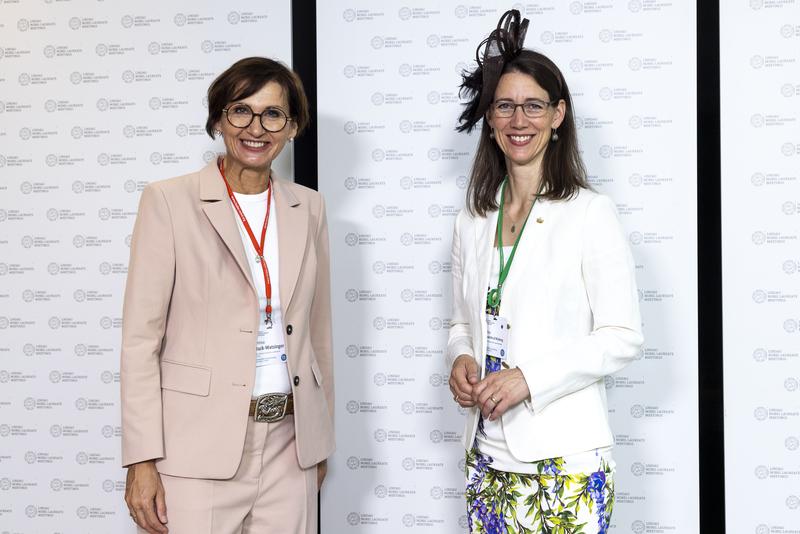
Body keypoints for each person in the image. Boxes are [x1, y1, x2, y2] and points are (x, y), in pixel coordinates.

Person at [447, 11, 643, 533]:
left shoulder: (589, 212)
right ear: (489, 117)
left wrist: (528, 380)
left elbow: (622, 337)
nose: (518, 120)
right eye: (505, 106)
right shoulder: (473, 217)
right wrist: (461, 356)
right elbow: (461, 323)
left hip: (567, 467)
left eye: (533, 106)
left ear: (558, 115)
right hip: (486, 459)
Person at [120, 57, 333, 534]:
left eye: (273, 114)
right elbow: (140, 342)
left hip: (289, 445)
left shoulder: (309, 207)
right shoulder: (169, 202)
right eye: (240, 111)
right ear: (218, 119)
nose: (256, 128)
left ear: (292, 127)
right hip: (195, 449)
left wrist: (318, 441)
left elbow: (318, 334)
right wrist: (141, 460)